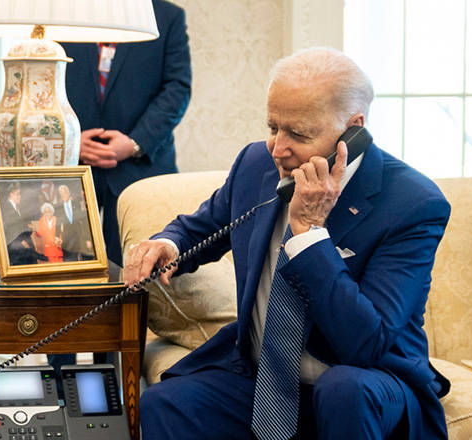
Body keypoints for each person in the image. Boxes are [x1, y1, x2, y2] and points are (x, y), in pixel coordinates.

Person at [129, 48, 449, 439]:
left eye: (298, 134)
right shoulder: (255, 164)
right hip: (265, 379)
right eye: (272, 127)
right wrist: (169, 244)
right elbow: (202, 226)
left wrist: (311, 233)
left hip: (364, 384)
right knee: (164, 402)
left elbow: (367, 345)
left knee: (343, 390)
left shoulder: (413, 203)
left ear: (354, 129)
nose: (277, 148)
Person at [60, 0, 191, 267]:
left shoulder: (167, 17)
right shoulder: (65, 12)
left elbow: (177, 88)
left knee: (141, 282)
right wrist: (69, 141)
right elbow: (44, 83)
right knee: (60, 274)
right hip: (72, 172)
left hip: (141, 170)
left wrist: (133, 143)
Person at [55, 184, 93, 261]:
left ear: (69, 193)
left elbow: (85, 222)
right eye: (61, 193)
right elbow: (57, 224)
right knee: (70, 260)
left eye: (64, 192)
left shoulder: (78, 203)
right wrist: (57, 237)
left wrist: (88, 239)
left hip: (81, 237)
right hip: (67, 239)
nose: (63, 195)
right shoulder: (58, 208)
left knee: (85, 259)